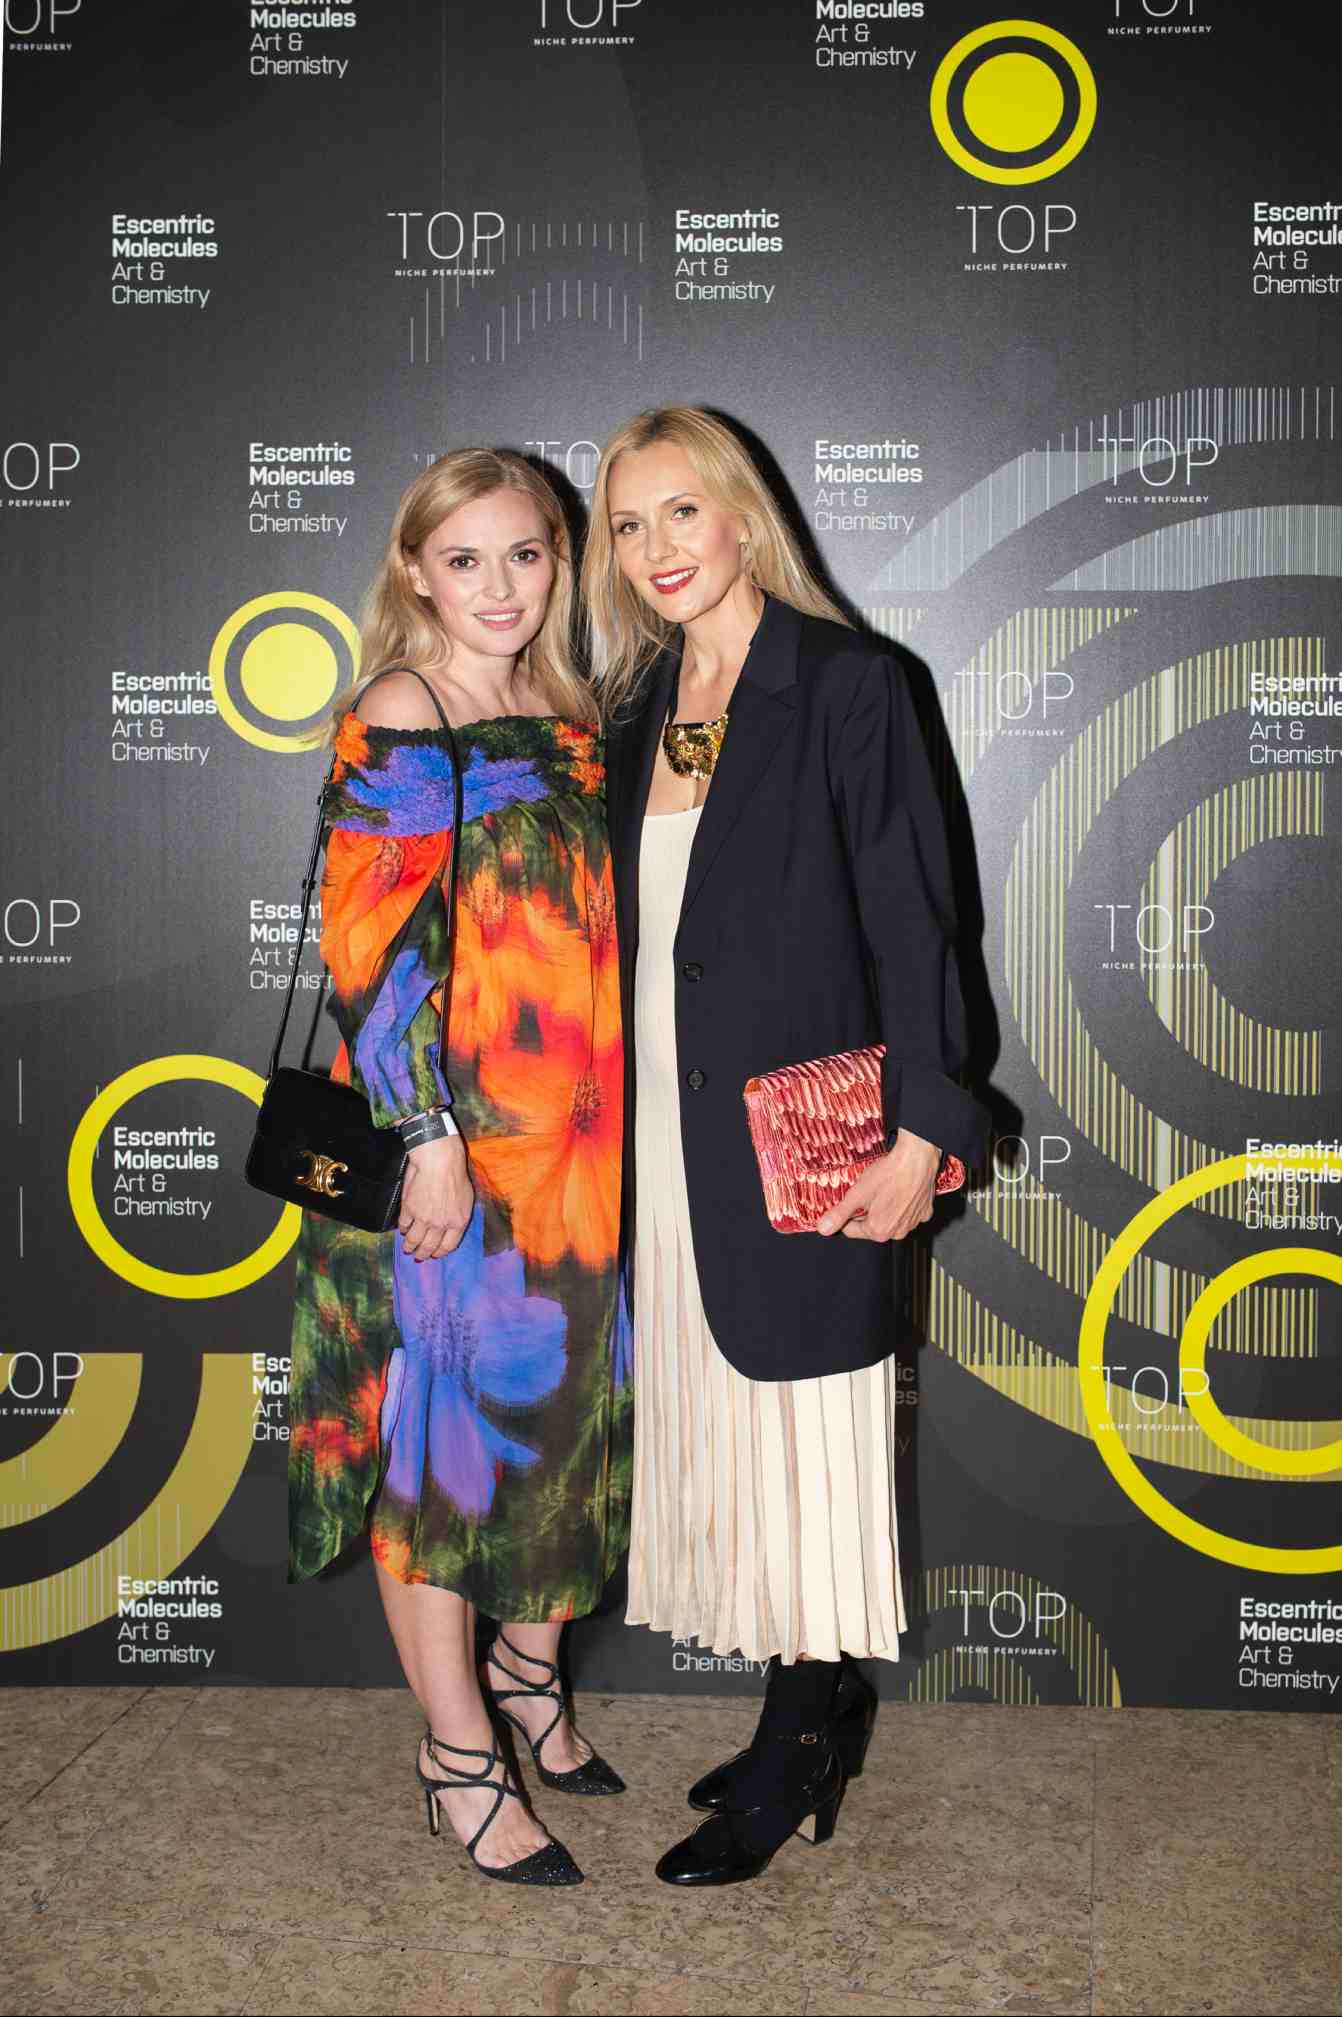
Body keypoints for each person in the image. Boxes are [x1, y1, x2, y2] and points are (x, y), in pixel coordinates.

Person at [584, 406, 988, 1887]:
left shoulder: (847, 684)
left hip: (806, 1144)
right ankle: (814, 1706)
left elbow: (916, 921)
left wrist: (924, 1130)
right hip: (664, 1149)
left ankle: (796, 1742)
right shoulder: (637, 703)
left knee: (810, 1450)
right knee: (733, 1443)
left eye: (680, 512)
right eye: (628, 525)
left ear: (742, 513)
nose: (656, 549)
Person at [287, 449, 630, 1888]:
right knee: (444, 1457)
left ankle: (530, 1680)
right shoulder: (403, 708)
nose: (500, 587)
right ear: (416, 572)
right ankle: (457, 1753)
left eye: (526, 555)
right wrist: (426, 1137)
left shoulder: (568, 710)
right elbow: (366, 954)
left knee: (567, 1435)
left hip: (581, 1154)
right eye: (466, 559)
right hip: (458, 1151)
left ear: (560, 563)